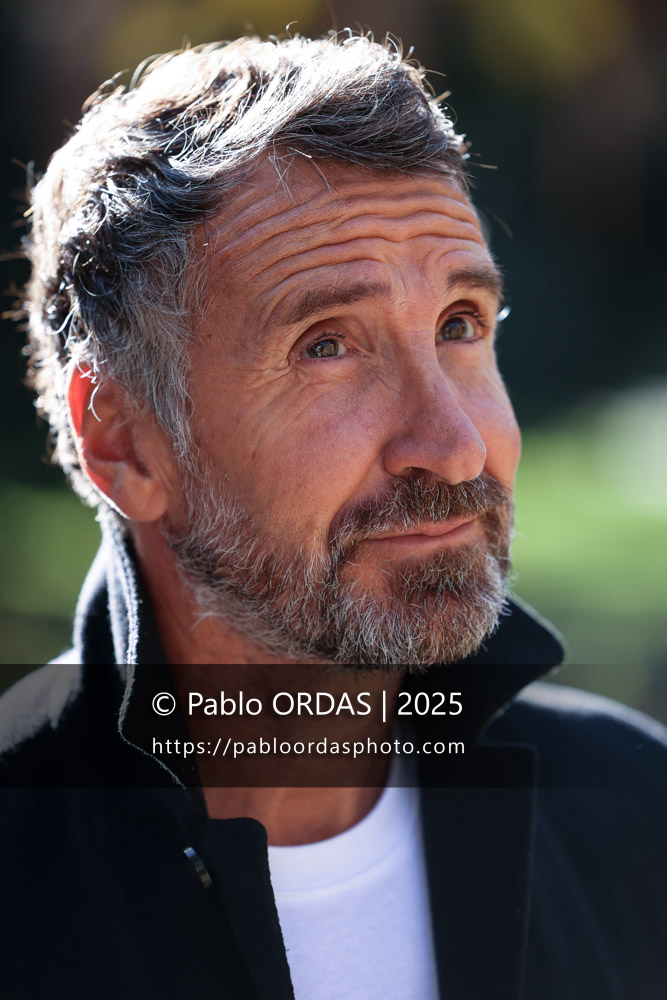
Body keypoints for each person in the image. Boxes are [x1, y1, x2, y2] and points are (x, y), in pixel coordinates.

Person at [1, 33, 666, 1000]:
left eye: (460, 326)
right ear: (126, 443)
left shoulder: (632, 811)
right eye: (326, 347)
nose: (453, 446)